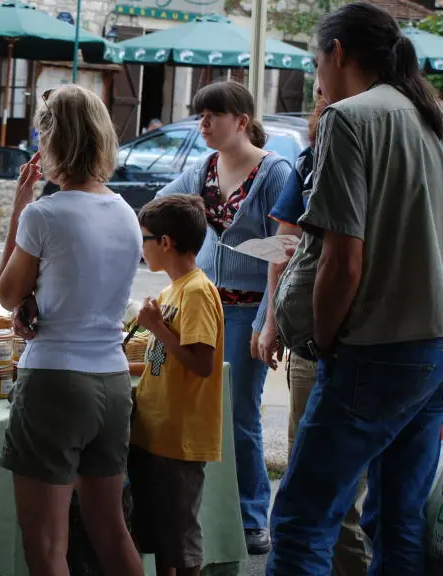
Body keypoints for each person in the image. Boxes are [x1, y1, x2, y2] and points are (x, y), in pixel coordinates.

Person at [266, 3, 443, 574]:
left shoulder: (350, 119)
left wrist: (320, 339)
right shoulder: (430, 116)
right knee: (398, 517)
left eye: (317, 60)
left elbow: (344, 261)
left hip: (374, 350)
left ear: (337, 52)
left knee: (300, 520)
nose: (317, 77)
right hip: (433, 351)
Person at [0, 84, 144, 576]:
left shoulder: (44, 213)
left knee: (46, 548)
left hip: (56, 379)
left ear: (52, 139)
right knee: (111, 529)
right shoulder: (125, 213)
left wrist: (20, 204)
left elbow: (6, 293)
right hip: (113, 380)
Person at [156, 80, 293, 555]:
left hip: (248, 310)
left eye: (212, 115)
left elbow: (286, 250)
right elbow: (158, 209)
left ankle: (254, 516)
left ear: (241, 119)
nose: (203, 124)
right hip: (205, 306)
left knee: (238, 415)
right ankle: (214, 512)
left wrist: (268, 319)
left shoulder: (274, 171)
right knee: (203, 412)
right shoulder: (204, 169)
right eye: (199, 116)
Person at [256, 84, 371, 576]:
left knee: (323, 492)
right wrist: (272, 323)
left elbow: (330, 262)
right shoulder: (307, 163)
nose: (319, 99)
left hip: (347, 346)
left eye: (326, 91)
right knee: (334, 484)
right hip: (331, 346)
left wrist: (293, 329)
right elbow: (284, 249)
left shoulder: (355, 152)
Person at [131, 194, 225, 576]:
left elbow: (202, 363)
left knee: (180, 542)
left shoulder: (197, 291)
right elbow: (162, 362)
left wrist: (156, 327)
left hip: (179, 438)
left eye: (144, 239)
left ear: (165, 242)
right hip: (155, 432)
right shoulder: (171, 292)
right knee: (161, 538)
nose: (142, 248)